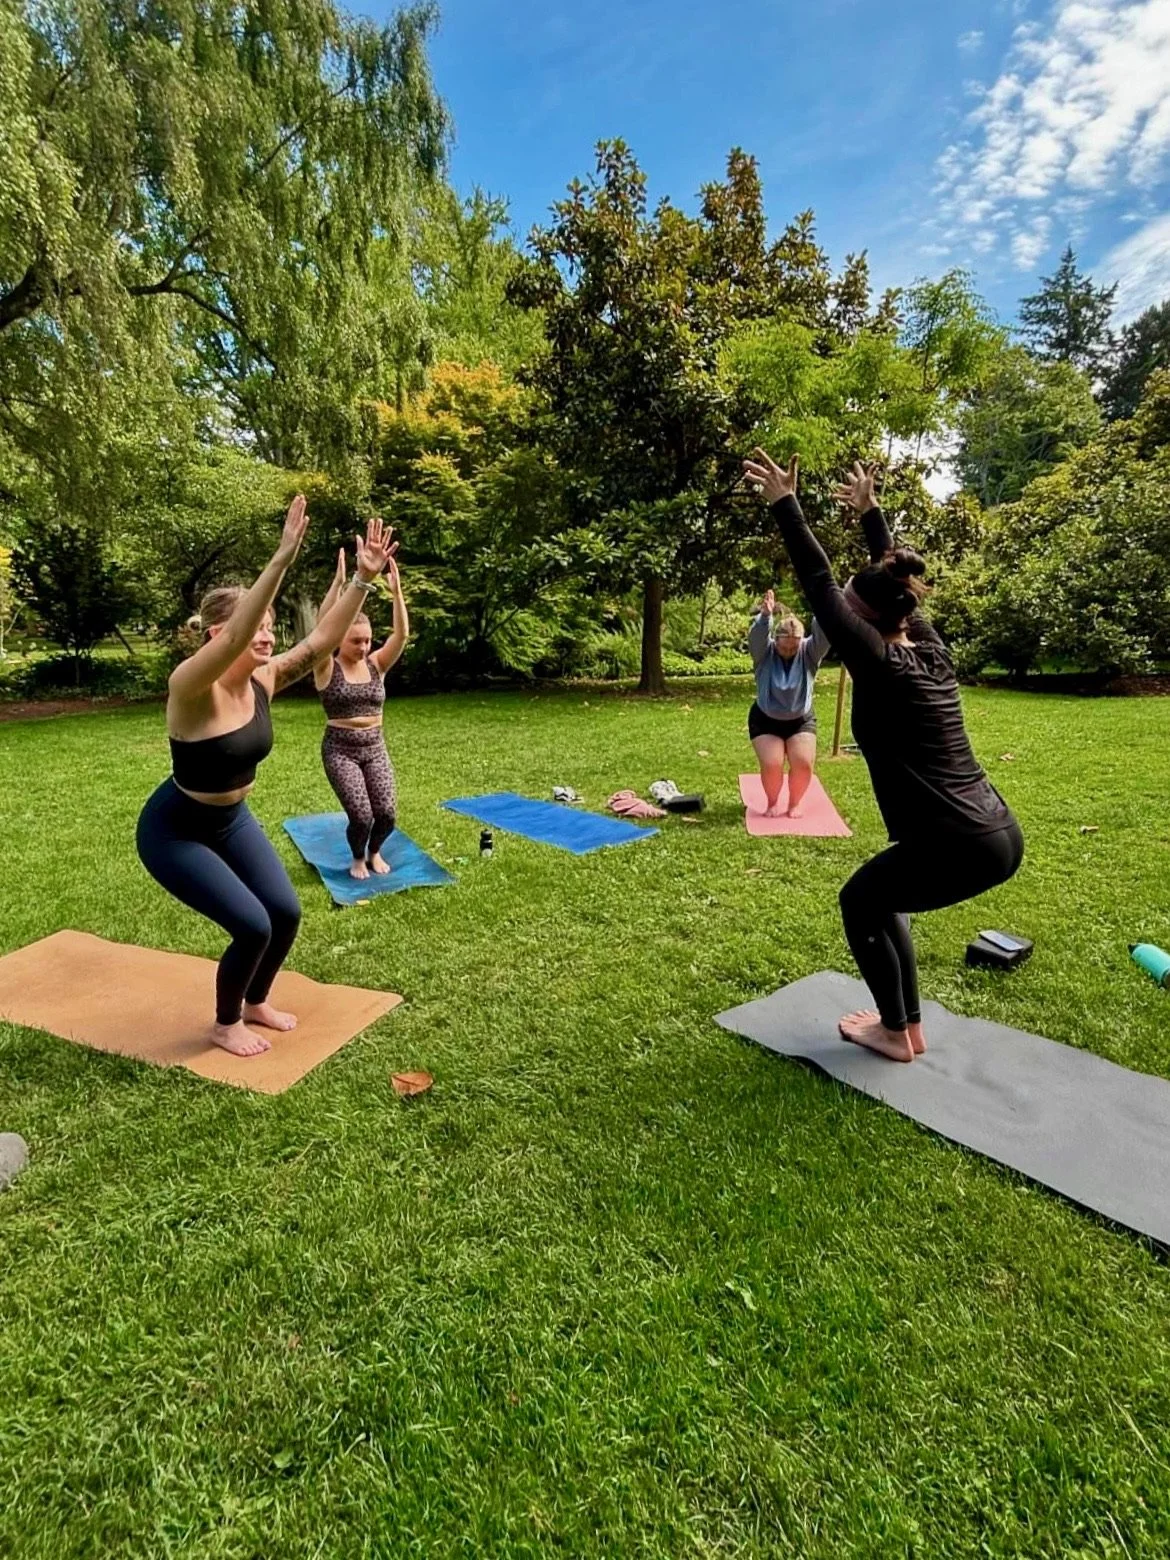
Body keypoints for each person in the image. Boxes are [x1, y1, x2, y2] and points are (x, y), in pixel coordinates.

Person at [740, 451, 1024, 1063]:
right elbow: (892, 581)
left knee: (860, 901)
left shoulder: (880, 660)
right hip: (991, 830)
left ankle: (895, 1032)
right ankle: (906, 1027)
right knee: (881, 896)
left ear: (862, 620)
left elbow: (819, 584)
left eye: (848, 606)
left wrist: (786, 505)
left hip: (959, 840)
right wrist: (872, 516)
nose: (839, 608)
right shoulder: (925, 647)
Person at [136, 501, 397, 1058]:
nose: (268, 637)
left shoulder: (266, 679)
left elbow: (322, 640)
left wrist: (362, 581)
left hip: (231, 821)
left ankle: (255, 1000)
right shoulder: (190, 690)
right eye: (259, 625)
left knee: (285, 911)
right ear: (216, 633)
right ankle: (225, 1023)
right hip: (176, 830)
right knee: (252, 925)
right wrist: (280, 558)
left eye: (273, 628)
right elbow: (231, 644)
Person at [312, 542, 411, 880]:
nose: (365, 646)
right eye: (357, 641)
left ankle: (375, 851)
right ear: (341, 641)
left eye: (368, 640)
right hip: (340, 749)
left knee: (386, 814)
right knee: (361, 815)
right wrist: (341, 585)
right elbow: (321, 632)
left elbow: (401, 635)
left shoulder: (376, 665)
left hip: (375, 747)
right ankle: (357, 857)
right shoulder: (326, 667)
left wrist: (396, 594)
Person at [748, 589, 829, 817]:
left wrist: (822, 604)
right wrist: (765, 617)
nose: (788, 652)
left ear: (801, 642)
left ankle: (795, 802)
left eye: (793, 648)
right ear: (776, 640)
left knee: (803, 763)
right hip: (765, 717)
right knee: (773, 764)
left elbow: (824, 633)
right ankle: (773, 802)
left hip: (800, 719)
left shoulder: (809, 652)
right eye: (784, 647)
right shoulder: (764, 653)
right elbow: (756, 638)